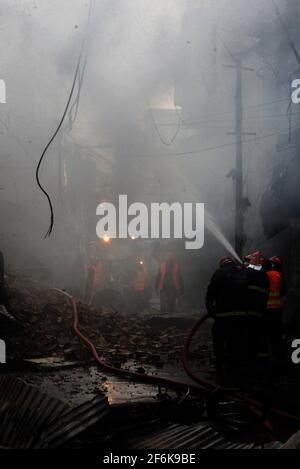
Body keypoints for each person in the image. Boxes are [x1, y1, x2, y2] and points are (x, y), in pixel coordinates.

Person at [206, 256, 248, 377]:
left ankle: (219, 368)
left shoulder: (220, 272)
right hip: (241, 317)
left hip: (223, 315)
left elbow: (211, 291)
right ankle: (235, 370)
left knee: (219, 341)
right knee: (236, 342)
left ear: (222, 264)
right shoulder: (243, 273)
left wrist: (210, 309)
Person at [265, 256, 287, 365]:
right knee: (276, 336)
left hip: (265, 310)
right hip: (277, 310)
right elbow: (283, 293)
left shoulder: (265, 274)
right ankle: (277, 359)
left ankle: (264, 360)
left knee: (264, 335)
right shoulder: (280, 276)